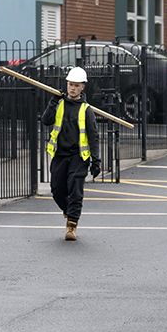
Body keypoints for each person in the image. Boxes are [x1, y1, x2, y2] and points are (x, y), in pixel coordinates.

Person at [40, 67, 101, 241]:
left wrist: (96, 161)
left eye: (76, 85)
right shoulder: (58, 104)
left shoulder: (86, 110)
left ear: (83, 87)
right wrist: (52, 101)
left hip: (78, 157)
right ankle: (68, 210)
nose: (72, 88)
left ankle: (71, 226)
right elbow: (46, 121)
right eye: (70, 84)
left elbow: (93, 137)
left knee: (75, 190)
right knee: (57, 190)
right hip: (60, 155)